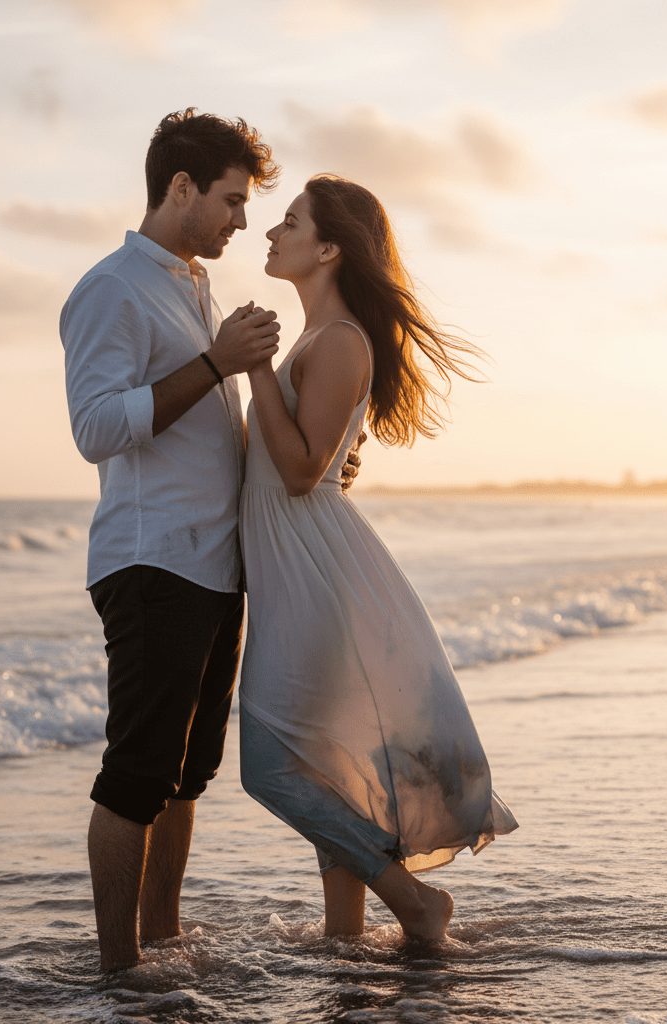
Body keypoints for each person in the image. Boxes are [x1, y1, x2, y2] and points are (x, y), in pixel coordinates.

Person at [239, 175, 519, 941]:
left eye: (288, 220)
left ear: (328, 247)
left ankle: (413, 901)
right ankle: (344, 937)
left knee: (267, 768)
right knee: (328, 766)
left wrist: (253, 368)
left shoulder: (336, 342)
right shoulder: (322, 340)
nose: (271, 231)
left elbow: (299, 474)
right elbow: (309, 462)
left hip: (313, 572)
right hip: (302, 565)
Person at [59, 109, 283, 971]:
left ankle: (162, 944)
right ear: (180, 188)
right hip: (151, 562)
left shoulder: (194, 285)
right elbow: (95, 426)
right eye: (230, 200)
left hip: (214, 565)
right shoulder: (111, 287)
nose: (241, 219)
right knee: (138, 773)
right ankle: (118, 971)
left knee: (187, 775)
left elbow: (206, 435)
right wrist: (218, 364)